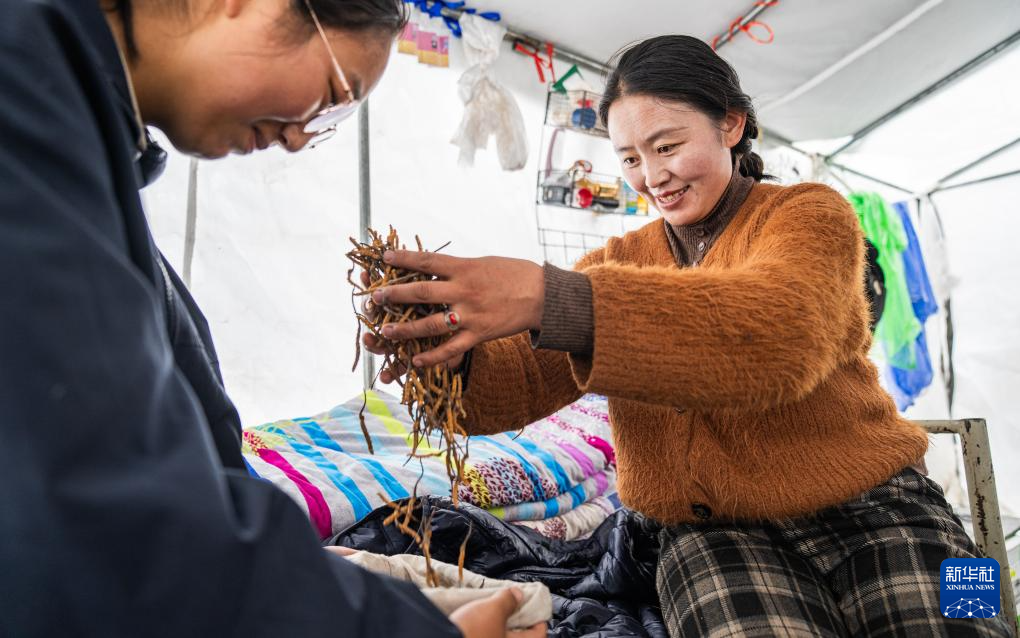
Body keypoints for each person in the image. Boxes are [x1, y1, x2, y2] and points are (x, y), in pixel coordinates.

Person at [364, 36, 1013, 636]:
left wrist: (547, 296)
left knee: (977, 624)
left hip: (888, 505)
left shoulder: (812, 214)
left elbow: (780, 335)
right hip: (712, 537)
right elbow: (524, 379)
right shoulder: (616, 264)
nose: (651, 177)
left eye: (667, 146)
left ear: (730, 123)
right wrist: (444, 356)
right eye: (629, 158)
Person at [0, 0, 545, 636]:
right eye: (334, 97)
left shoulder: (78, 134)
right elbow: (113, 516)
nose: (299, 138)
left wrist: (307, 581)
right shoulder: (24, 107)